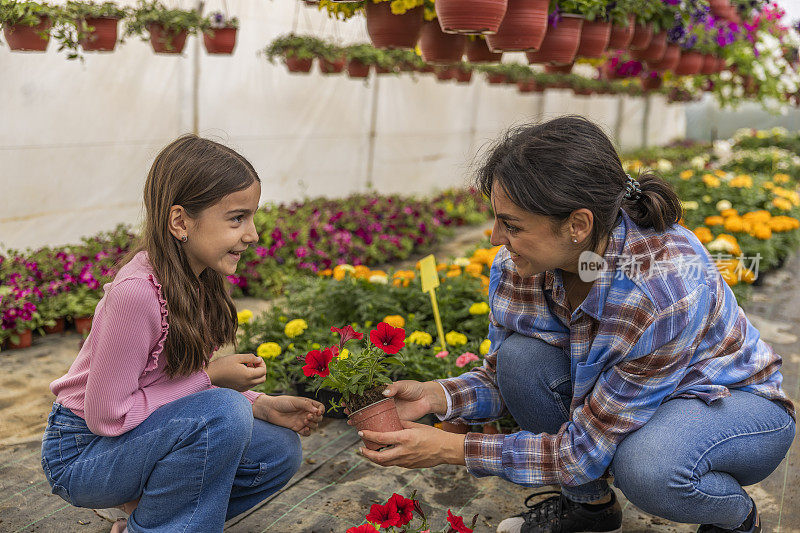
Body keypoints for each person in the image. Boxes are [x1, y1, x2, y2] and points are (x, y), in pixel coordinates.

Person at [356, 116, 795, 533]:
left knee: (648, 468)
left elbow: (582, 452)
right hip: (628, 398)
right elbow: (506, 377)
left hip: (734, 406)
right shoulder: (521, 266)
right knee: (520, 358)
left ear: (577, 225)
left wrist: (451, 450)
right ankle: (591, 509)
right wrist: (439, 396)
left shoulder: (658, 290)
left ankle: (735, 517)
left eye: (511, 224)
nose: (494, 238)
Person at [42, 135, 324, 533]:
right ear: (180, 222)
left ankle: (151, 524)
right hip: (83, 453)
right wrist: (212, 379)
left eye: (252, 217)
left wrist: (260, 404)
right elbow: (107, 416)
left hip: (135, 437)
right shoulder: (136, 293)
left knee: (276, 451)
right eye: (237, 218)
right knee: (224, 414)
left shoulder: (201, 280)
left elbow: (169, 385)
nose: (253, 234)